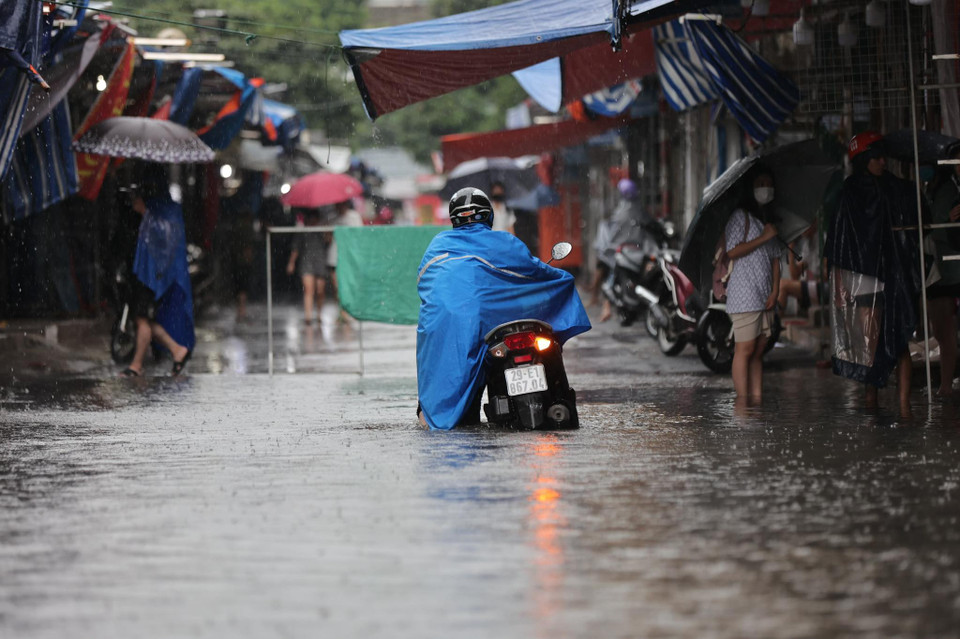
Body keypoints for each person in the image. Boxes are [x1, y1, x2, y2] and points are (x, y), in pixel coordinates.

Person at [416, 187, 591, 430]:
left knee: (435, 356)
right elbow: (538, 272)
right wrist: (563, 278)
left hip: (454, 328)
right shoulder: (505, 242)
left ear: (453, 219)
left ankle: (435, 411)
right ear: (489, 215)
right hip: (496, 322)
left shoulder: (438, 246)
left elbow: (425, 286)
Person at [825, 132, 922, 415]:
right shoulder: (849, 193)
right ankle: (872, 401)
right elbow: (837, 241)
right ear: (865, 158)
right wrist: (839, 281)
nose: (882, 161)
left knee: (900, 336)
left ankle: (905, 407)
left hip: (895, 274)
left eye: (883, 156)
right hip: (864, 279)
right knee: (872, 340)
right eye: (877, 156)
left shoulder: (897, 189)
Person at [121, 165, 195, 377]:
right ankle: (177, 350)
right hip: (148, 274)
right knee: (144, 320)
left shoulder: (160, 211)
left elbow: (160, 244)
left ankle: (136, 365)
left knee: (142, 319)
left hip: (150, 275)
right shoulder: (165, 210)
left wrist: (145, 212)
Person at [724, 165, 782, 403]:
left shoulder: (769, 219)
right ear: (750, 188)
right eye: (760, 184)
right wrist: (763, 237)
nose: (765, 188)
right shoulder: (740, 216)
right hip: (744, 293)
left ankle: (756, 401)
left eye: (768, 183)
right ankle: (742, 402)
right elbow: (733, 251)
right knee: (745, 349)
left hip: (764, 292)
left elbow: (776, 259)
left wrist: (776, 290)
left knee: (758, 351)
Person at [593, 178, 654, 322]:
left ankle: (606, 307)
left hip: (625, 250)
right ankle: (607, 306)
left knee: (611, 276)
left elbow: (614, 232)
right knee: (613, 276)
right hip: (636, 250)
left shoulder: (623, 211)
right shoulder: (637, 209)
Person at [926, 146, 960, 398]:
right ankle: (945, 384)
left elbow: (939, 228)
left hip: (947, 269)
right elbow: (936, 228)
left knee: (945, 331)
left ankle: (946, 384)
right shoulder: (940, 189)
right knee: (943, 331)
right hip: (940, 268)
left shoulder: (946, 189)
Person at [287, 209, 329, 326]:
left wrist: (326, 230)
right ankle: (308, 316)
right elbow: (296, 248)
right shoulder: (302, 231)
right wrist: (291, 262)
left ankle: (319, 314)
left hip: (320, 261)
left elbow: (329, 241)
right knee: (308, 289)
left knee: (320, 290)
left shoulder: (322, 229)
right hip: (306, 262)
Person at [326, 199, 364, 322]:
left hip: (349, 257)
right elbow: (326, 238)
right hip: (334, 257)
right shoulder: (331, 218)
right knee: (336, 286)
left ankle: (347, 310)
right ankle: (341, 310)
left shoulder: (354, 217)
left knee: (348, 285)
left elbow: (359, 235)